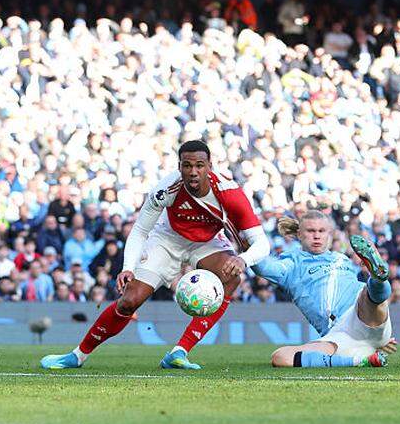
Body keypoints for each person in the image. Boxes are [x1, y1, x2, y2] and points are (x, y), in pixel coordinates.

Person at [41, 140, 269, 370]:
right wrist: (128, 267)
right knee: (129, 301)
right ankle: (77, 356)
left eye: (200, 165)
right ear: (179, 166)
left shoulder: (230, 193)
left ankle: (179, 352)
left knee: (231, 277)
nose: (193, 172)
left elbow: (262, 243)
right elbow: (140, 230)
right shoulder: (166, 188)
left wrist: (243, 259)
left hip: (207, 242)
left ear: (210, 166)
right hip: (167, 239)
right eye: (187, 165)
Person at [254, 211, 396, 368]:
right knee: (281, 357)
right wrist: (248, 241)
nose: (317, 236)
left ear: (329, 234)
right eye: (311, 231)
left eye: (321, 231)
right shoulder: (292, 264)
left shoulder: (341, 258)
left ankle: (378, 279)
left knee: (366, 295)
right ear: (299, 234)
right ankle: (362, 360)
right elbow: (264, 267)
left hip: (362, 310)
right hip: (338, 335)